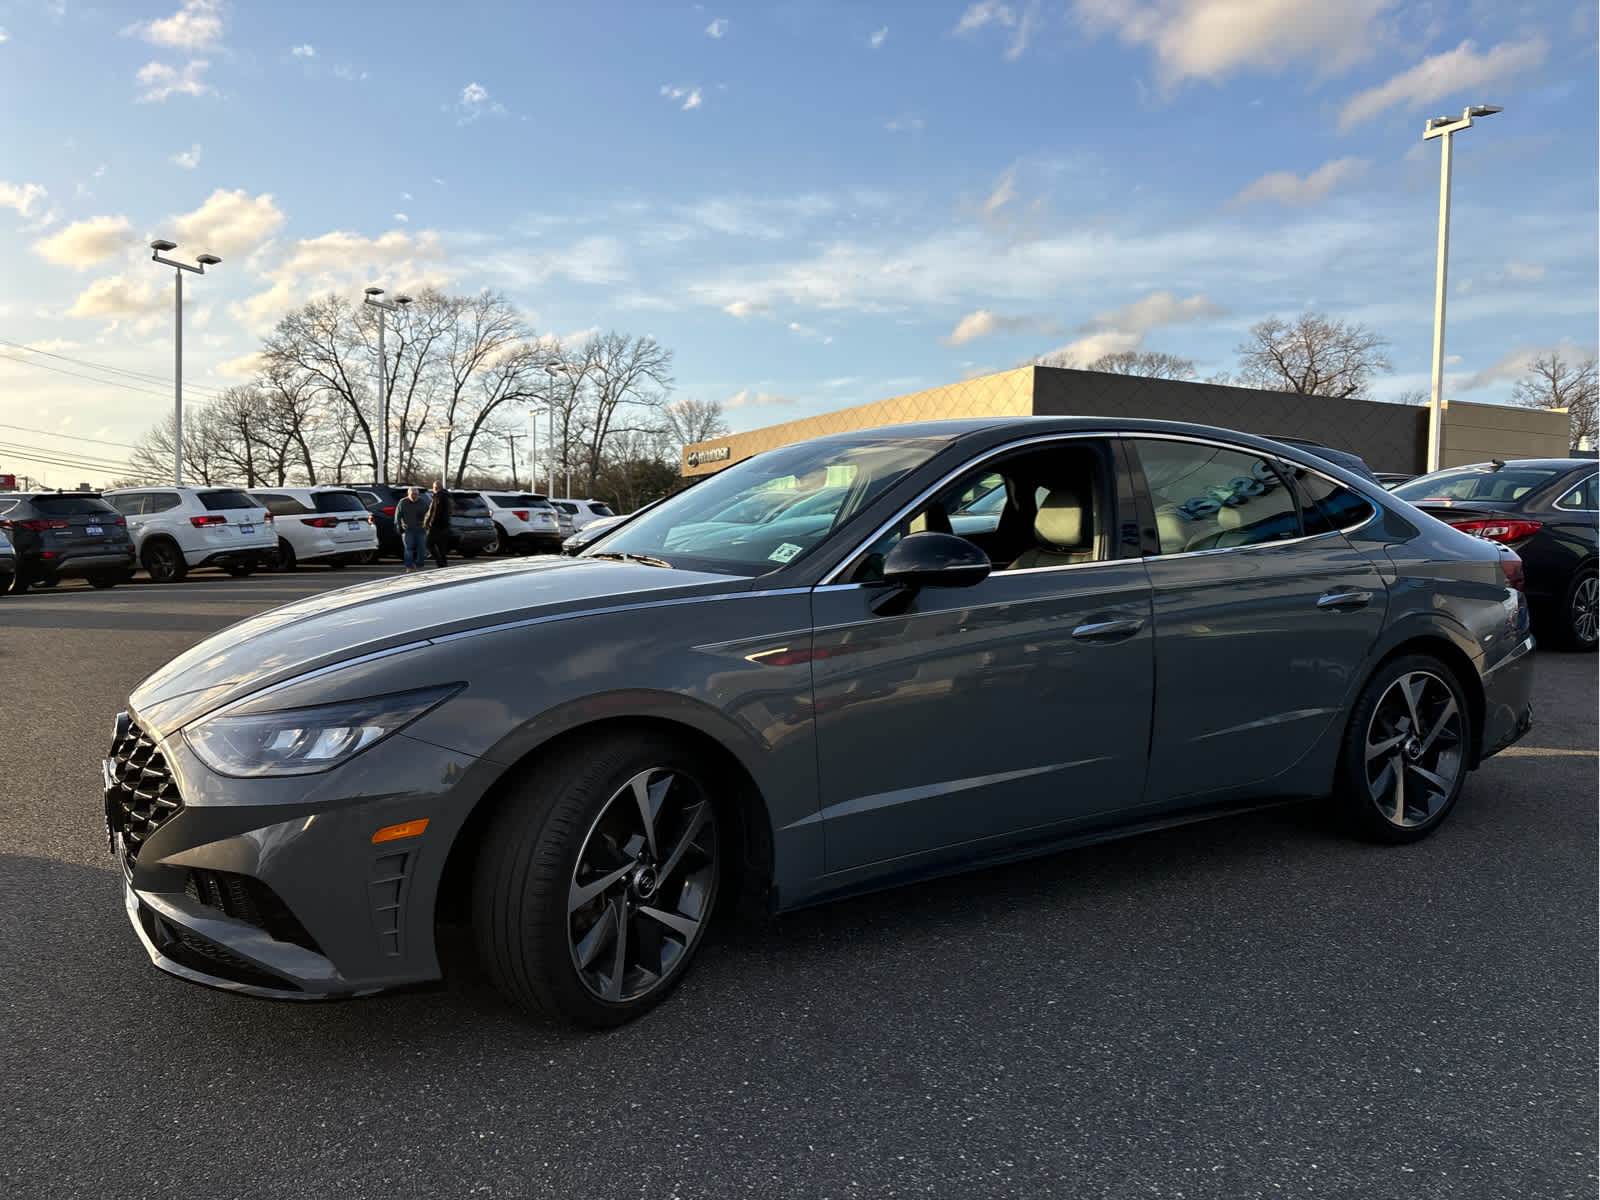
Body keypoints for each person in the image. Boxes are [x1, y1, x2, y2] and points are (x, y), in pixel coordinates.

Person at [394, 486, 430, 572]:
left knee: (422, 549)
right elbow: (397, 516)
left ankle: (420, 565)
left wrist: (427, 525)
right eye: (413, 494)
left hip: (421, 529)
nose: (415, 496)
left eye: (416, 494)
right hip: (407, 529)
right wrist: (398, 526)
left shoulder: (423, 502)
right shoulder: (402, 502)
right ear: (408, 494)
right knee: (408, 549)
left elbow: (428, 514)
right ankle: (409, 566)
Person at [425, 481, 453, 567]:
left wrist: (429, 524)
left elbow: (435, 512)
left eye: (433, 488)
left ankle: (440, 563)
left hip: (436, 526)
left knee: (428, 543)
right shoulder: (448, 497)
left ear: (436, 488)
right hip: (445, 525)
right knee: (441, 546)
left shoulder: (438, 497)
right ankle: (444, 564)